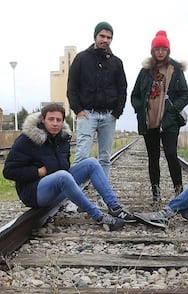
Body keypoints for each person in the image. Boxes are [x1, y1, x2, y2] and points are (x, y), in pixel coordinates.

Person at [3, 103, 136, 231]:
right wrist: (38, 172)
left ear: (62, 121)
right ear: (43, 120)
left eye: (58, 120)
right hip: (33, 193)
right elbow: (9, 171)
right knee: (63, 176)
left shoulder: (63, 139)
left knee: (92, 163)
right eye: (51, 119)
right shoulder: (27, 140)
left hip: (57, 188)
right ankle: (98, 216)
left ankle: (115, 208)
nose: (55, 123)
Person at [131, 30, 188, 205]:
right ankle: (155, 195)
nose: (160, 52)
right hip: (149, 122)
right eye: (157, 48)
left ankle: (179, 193)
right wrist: (139, 109)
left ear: (168, 50)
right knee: (153, 157)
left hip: (169, 122)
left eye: (163, 48)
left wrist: (173, 109)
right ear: (152, 51)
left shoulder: (176, 70)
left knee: (171, 154)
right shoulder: (145, 71)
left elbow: (185, 95)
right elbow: (135, 94)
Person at [67, 21, 127, 179]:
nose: (105, 40)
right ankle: (76, 194)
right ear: (95, 36)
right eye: (102, 36)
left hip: (108, 116)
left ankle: (104, 195)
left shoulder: (116, 62)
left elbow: (122, 89)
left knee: (105, 158)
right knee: (82, 156)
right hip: (87, 114)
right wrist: (78, 110)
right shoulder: (81, 59)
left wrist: (117, 112)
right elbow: (72, 87)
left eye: (109, 37)